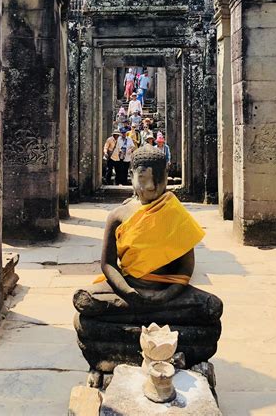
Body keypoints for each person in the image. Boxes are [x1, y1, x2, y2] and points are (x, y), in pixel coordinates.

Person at [72, 146, 223, 374]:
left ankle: (117, 356)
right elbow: (108, 264)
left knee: (211, 309)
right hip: (128, 289)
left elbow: (185, 268)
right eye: (142, 179)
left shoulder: (174, 213)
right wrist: (127, 292)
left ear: (166, 177)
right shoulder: (118, 216)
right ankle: (129, 357)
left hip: (169, 292)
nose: (150, 187)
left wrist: (165, 295)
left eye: (157, 179)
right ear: (131, 175)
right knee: (85, 304)